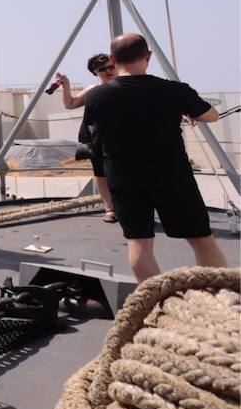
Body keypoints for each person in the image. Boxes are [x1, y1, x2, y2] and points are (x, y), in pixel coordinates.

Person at [84, 33, 228, 282]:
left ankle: (154, 305)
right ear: (148, 56)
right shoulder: (174, 91)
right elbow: (211, 115)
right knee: (201, 238)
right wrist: (185, 111)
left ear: (113, 58)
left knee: (139, 242)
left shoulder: (98, 96)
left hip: (125, 177)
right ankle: (218, 299)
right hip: (172, 174)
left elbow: (93, 133)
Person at [52, 53, 119, 223]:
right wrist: (66, 86)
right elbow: (71, 104)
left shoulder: (126, 85)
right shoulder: (92, 90)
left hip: (123, 136)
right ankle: (110, 208)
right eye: (103, 69)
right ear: (96, 72)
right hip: (97, 137)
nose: (109, 71)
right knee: (100, 172)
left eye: (111, 66)